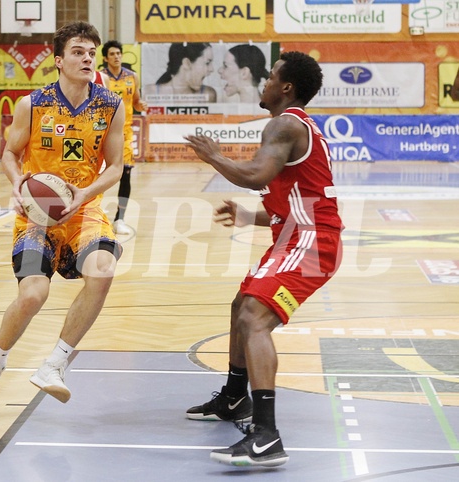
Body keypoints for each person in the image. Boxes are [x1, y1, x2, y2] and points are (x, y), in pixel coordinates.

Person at [184, 51, 343, 467]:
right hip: (295, 235)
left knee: (254, 316)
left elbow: (256, 175)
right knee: (242, 305)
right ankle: (236, 398)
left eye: (271, 76)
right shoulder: (294, 125)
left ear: (286, 87)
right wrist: (249, 215)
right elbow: (293, 199)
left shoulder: (286, 122)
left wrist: (213, 156)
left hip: (311, 242)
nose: (264, 82)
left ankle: (267, 436)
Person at [0, 21, 125, 407]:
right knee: (33, 295)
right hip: (38, 216)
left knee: (102, 271)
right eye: (77, 52)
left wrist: (86, 191)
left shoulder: (111, 105)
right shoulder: (32, 104)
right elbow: (8, 154)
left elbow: (117, 166)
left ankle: (54, 364)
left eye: (91, 53)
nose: (87, 58)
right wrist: (18, 183)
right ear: (58, 60)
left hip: (83, 210)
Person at [100, 40, 148, 235]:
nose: (116, 56)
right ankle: (94, 210)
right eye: (112, 54)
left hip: (125, 132)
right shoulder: (100, 77)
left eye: (118, 53)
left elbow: (135, 101)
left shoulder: (132, 76)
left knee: (125, 173)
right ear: (105, 58)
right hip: (103, 130)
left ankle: (119, 219)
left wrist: (140, 105)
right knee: (94, 173)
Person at [144, 43, 217, 103]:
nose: (212, 69)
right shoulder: (150, 92)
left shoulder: (208, 94)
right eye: (207, 63)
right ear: (187, 63)